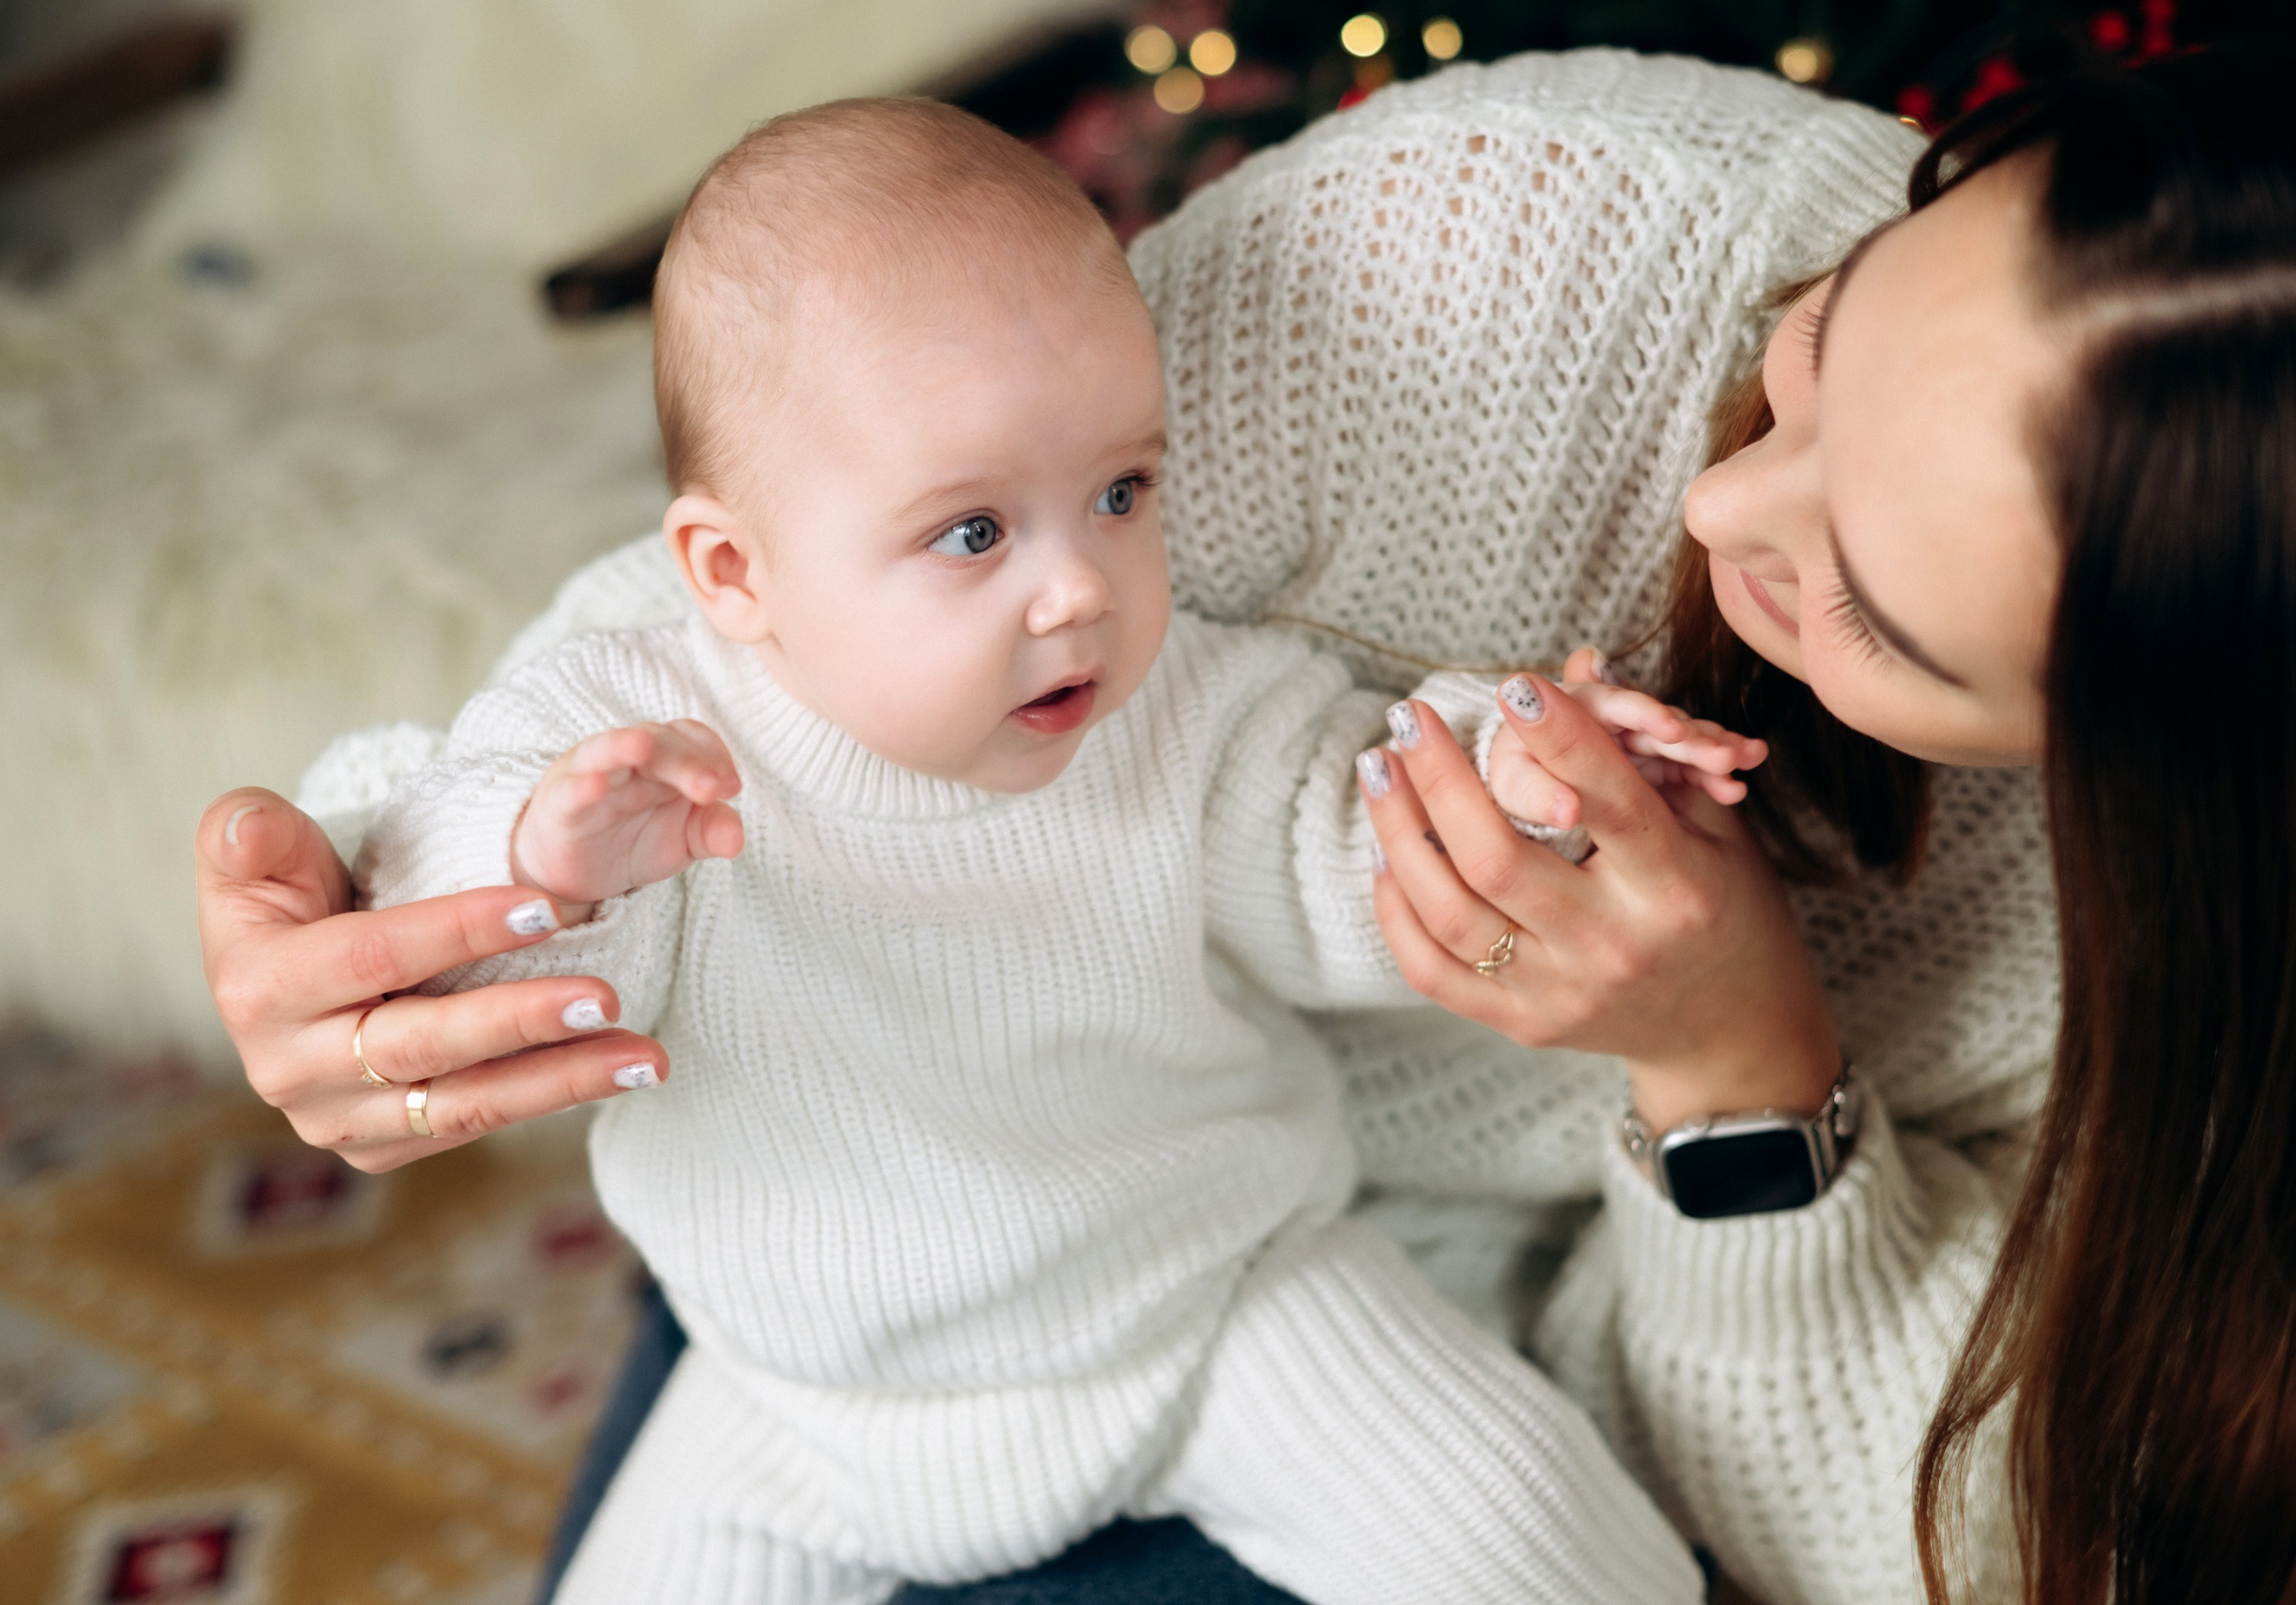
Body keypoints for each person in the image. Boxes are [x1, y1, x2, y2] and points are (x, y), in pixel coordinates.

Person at [191, 44, 2290, 1605]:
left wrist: (1732, 1066)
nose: (1722, 508)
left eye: (1872, 607)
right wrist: (444, 889)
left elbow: (1931, 1541)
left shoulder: (2204, 998)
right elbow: (774, 569)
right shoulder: (1493, 250)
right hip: (814, 1341)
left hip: (1262, 1289)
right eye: (1815, 349)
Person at [348, 96, 1760, 1605]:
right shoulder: (629, 738)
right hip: (802, 1399)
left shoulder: (1176, 708)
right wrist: (547, 870)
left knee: (1536, 1538)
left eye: (1120, 492)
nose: (1078, 589)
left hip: (1223, 1306)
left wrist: (1534, 775)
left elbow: (1348, 829)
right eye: (973, 534)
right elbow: (468, 938)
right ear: (733, 571)